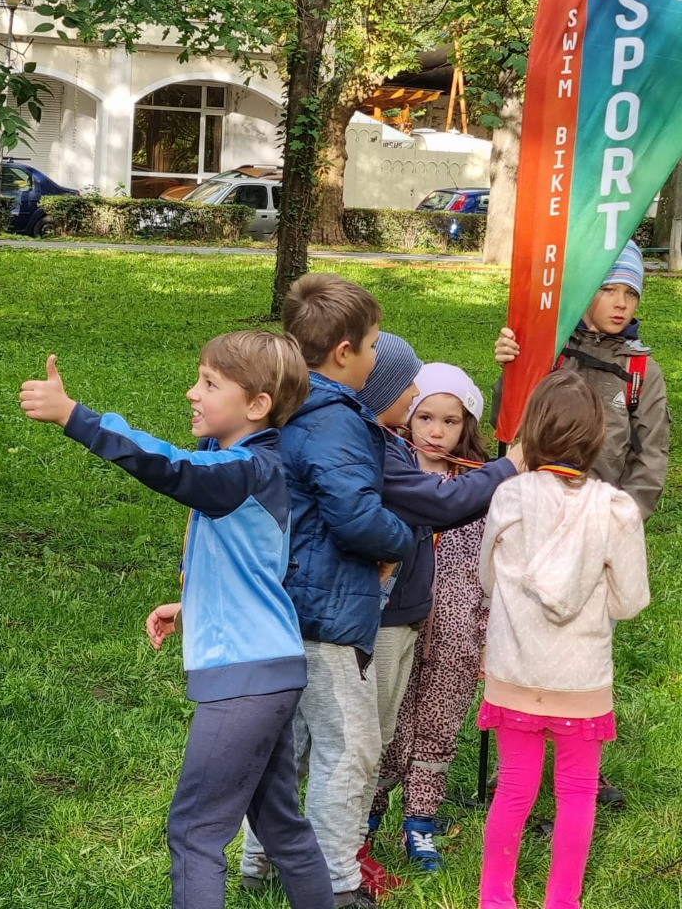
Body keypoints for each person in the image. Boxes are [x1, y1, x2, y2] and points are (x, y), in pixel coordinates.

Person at [19, 330, 334, 909]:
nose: (192, 392)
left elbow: (169, 466)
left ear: (257, 405)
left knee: (194, 832)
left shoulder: (244, 469)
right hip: (270, 668)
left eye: (210, 384)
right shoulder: (245, 467)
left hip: (246, 679)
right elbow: (252, 565)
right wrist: (192, 607)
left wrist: (75, 417)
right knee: (281, 828)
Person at [238, 274, 413, 909]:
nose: (376, 354)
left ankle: (261, 862)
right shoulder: (336, 418)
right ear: (343, 352)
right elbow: (356, 517)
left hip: (275, 605)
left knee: (286, 745)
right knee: (349, 749)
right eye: (372, 344)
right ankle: (336, 881)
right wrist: (402, 541)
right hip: (327, 613)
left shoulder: (272, 400)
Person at [493, 239, 670, 805]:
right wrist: (511, 367)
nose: (620, 303)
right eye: (608, 288)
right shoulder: (547, 354)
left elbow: (650, 458)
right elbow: (510, 424)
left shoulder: (641, 371)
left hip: (597, 534)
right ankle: (519, 757)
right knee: (523, 640)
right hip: (536, 522)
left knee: (587, 649)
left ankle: (579, 761)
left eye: (630, 293)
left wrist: (623, 524)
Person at [477, 371, 650, 909]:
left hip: (513, 668)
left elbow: (486, 578)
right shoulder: (616, 509)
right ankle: (562, 901)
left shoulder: (508, 496)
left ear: (531, 429)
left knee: (514, 787)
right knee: (576, 793)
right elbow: (630, 600)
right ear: (598, 436)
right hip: (581, 677)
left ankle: (495, 898)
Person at [356, 353, 518, 879]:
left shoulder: (481, 487)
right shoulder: (393, 474)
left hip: (458, 630)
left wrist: (490, 634)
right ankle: (366, 815)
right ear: (407, 415)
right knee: (388, 723)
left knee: (439, 724)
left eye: (450, 421)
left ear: (467, 424)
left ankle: (420, 819)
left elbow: (497, 569)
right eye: (425, 416)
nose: (436, 431)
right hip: (397, 624)